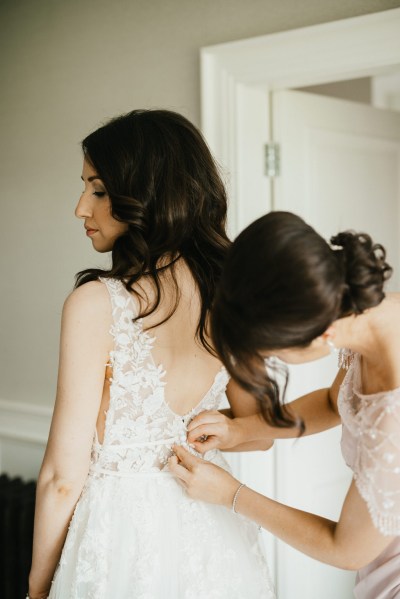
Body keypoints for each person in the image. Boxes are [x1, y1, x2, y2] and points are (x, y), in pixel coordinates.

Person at [27, 109, 275, 599]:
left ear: (147, 193)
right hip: (208, 529)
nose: (81, 208)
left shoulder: (97, 304)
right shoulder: (231, 293)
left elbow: (61, 478)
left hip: (118, 536)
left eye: (97, 190)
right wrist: (218, 430)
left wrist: (36, 589)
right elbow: (258, 434)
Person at [170, 211, 400, 599]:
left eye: (271, 354)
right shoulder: (372, 317)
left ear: (321, 333)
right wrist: (240, 428)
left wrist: (231, 494)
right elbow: (332, 402)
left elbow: (346, 548)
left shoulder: (394, 415)